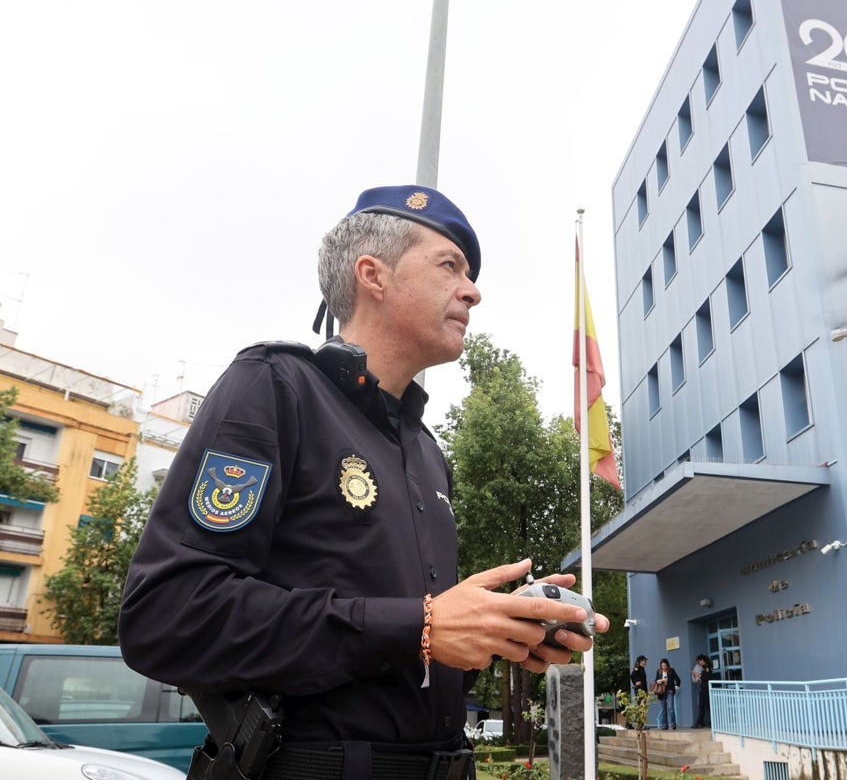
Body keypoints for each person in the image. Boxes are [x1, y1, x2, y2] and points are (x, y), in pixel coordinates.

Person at [118, 185, 609, 780]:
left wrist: (492, 629)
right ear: (372, 275)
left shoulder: (426, 451)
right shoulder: (274, 388)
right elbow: (166, 617)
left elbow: (400, 656)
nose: (473, 291)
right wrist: (420, 626)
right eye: (450, 265)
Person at [653, 658, 681, 730]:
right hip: (661, 691)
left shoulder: (671, 671)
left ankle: (673, 724)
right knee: (663, 708)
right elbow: (656, 680)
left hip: (669, 690)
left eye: (665, 665)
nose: (664, 667)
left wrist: (676, 686)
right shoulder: (659, 671)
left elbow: (678, 679)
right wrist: (659, 681)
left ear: (667, 665)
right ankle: (664, 725)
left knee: (670, 707)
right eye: (662, 665)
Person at [691, 654, 712, 728]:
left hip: (706, 689)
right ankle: (699, 722)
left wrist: (698, 675)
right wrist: (698, 675)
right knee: (701, 706)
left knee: (708, 706)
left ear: (703, 660)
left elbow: (707, 677)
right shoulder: (704, 668)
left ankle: (712, 722)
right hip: (703, 689)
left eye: (699, 662)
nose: (699, 664)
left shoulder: (707, 668)